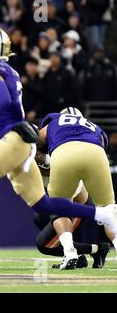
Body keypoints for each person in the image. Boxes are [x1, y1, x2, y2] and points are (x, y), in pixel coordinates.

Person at [0, 27, 117, 268]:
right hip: (21, 141)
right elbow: (13, 112)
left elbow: (3, 102)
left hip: (10, 141)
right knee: (43, 205)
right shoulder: (10, 71)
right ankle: (101, 214)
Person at [33, 107, 115, 269]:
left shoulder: (53, 124)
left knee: (56, 214)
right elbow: (103, 145)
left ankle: (70, 252)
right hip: (96, 153)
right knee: (109, 209)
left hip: (65, 157)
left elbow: (36, 142)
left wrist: (43, 158)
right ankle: (85, 252)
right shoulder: (92, 126)